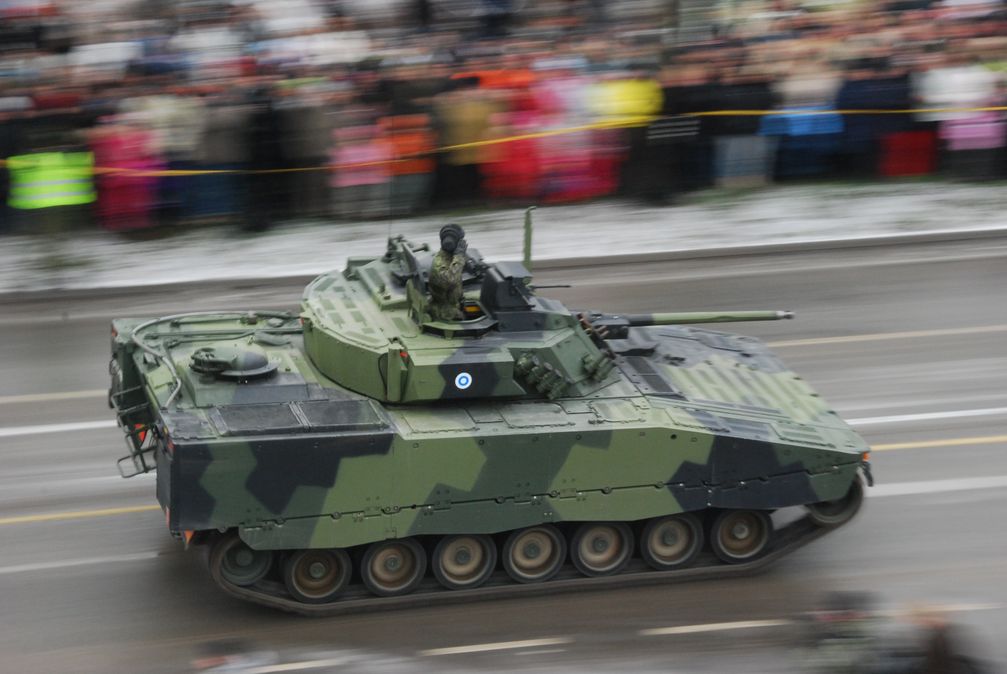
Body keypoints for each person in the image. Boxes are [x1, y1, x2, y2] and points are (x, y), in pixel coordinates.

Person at [428, 224, 467, 322]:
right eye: (460, 242)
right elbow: (450, 280)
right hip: (445, 314)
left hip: (454, 307)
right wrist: (459, 257)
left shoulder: (449, 257)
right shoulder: (439, 263)